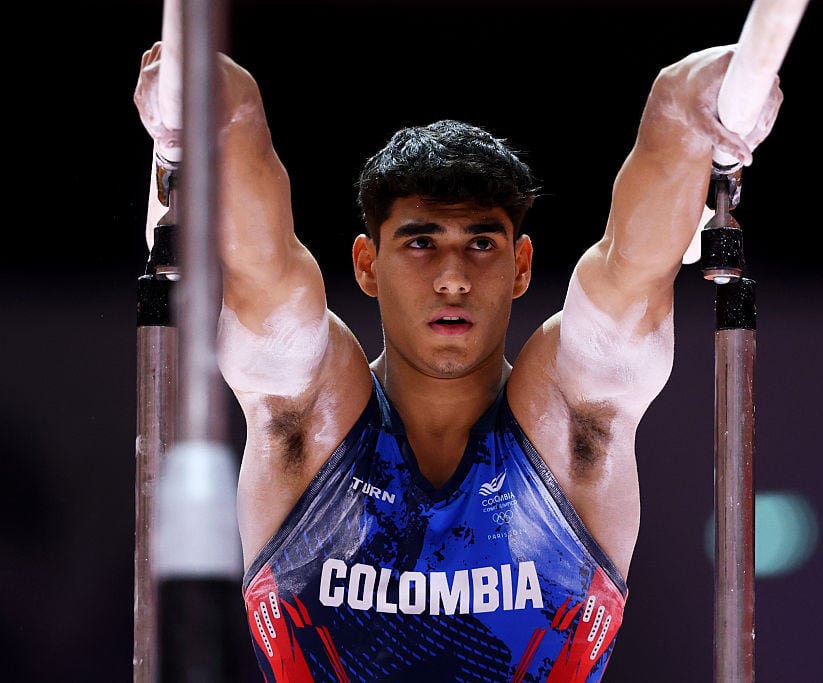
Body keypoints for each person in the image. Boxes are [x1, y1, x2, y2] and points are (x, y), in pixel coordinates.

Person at [134, 39, 781, 682]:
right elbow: (261, 264)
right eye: (420, 242)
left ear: (521, 265)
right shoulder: (304, 418)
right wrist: (208, 97)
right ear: (366, 264)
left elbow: (633, 271)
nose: (451, 277)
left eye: (480, 243)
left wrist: (698, 100)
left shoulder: (575, 421)